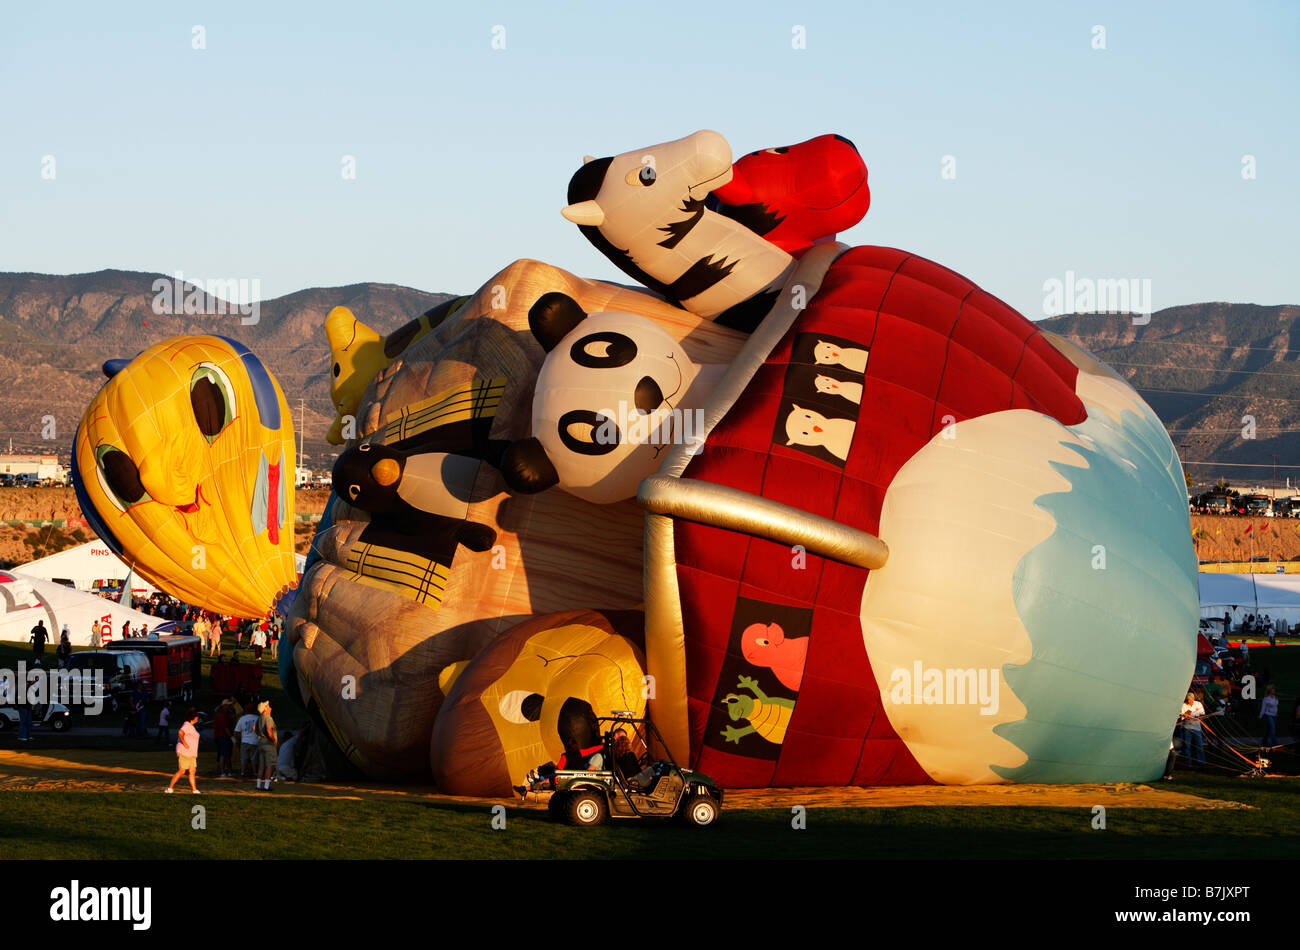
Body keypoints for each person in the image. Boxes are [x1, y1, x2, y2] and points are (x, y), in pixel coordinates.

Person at [165, 708, 202, 794]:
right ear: (193, 718)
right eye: (197, 717)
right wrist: (184, 743)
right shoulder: (186, 725)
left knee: (192, 771)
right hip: (185, 752)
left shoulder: (191, 727)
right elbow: (180, 733)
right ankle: (170, 788)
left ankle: (194, 790)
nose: (198, 718)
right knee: (182, 770)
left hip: (192, 753)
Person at [254, 700, 277, 791]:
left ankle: (258, 785)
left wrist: (259, 735)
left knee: (261, 765)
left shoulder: (259, 718)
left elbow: (254, 728)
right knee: (269, 765)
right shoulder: (268, 718)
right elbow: (268, 730)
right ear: (265, 709)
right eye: (267, 706)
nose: (269, 707)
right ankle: (266, 786)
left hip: (260, 743)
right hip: (268, 744)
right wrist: (273, 739)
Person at [1180, 691, 1206, 766]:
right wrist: (1186, 715)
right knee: (1186, 746)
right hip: (1186, 727)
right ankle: (1188, 763)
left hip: (1197, 728)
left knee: (1199, 745)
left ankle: (1201, 762)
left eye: (1190, 699)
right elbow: (1182, 716)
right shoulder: (1183, 705)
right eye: (1188, 699)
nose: (1189, 701)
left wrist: (1197, 717)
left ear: (1193, 698)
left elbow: (1202, 713)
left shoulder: (1198, 704)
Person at [235, 705, 260, 778]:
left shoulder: (242, 719)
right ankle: (255, 772)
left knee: (244, 758)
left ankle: (243, 772)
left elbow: (237, 731)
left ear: (245, 710)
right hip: (255, 741)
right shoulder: (257, 718)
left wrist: (238, 740)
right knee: (254, 758)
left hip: (245, 741)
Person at [213, 698, 235, 777]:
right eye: (229, 705)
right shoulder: (223, 715)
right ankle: (223, 772)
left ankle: (227, 771)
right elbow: (225, 727)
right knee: (223, 754)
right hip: (223, 736)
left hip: (220, 736)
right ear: (225, 706)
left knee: (224, 754)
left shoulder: (221, 714)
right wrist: (231, 736)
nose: (230, 706)